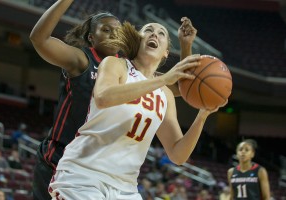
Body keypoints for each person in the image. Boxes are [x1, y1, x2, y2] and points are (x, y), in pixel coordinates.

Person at [30, 0, 197, 199]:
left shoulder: (130, 70)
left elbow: (180, 87)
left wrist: (185, 46)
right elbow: (39, 39)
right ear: (91, 38)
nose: (113, 34)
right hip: (63, 158)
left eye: (117, 31)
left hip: (107, 169)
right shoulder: (84, 61)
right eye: (106, 30)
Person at [48, 21, 225, 199]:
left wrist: (202, 116)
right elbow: (103, 98)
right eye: (148, 30)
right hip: (82, 175)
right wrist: (163, 80)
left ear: (166, 53)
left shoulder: (165, 95)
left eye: (161, 33)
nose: (154, 34)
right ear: (138, 41)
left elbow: (178, 155)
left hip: (125, 187)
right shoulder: (116, 65)